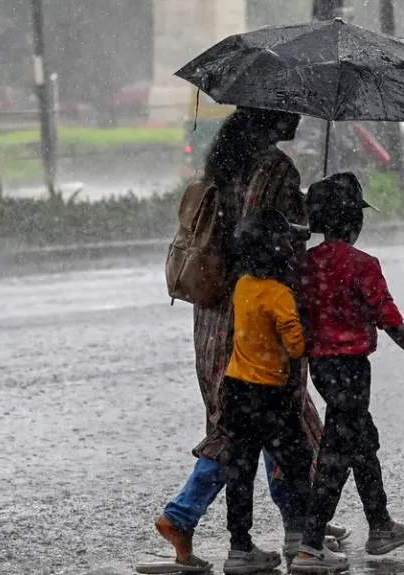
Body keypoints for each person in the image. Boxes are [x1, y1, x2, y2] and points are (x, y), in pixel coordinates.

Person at [153, 108, 347, 571]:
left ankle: (299, 523)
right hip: (259, 316)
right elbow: (262, 236)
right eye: (290, 108)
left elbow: (239, 228)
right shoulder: (274, 166)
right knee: (257, 427)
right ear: (271, 115)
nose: (299, 116)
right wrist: (309, 221)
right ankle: (185, 515)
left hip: (217, 312)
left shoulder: (225, 162)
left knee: (269, 423)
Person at [291, 173, 404, 573]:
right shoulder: (363, 265)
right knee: (337, 452)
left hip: (321, 369)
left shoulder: (303, 265)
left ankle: (380, 526)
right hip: (351, 369)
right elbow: (388, 317)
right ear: (354, 222)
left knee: (362, 440)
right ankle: (310, 547)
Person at [218, 207, 347, 574]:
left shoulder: (243, 285)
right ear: (277, 251)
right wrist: (304, 323)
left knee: (240, 472)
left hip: (236, 391)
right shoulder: (279, 295)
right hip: (271, 396)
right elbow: (296, 348)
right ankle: (304, 540)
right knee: (296, 462)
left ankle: (239, 548)